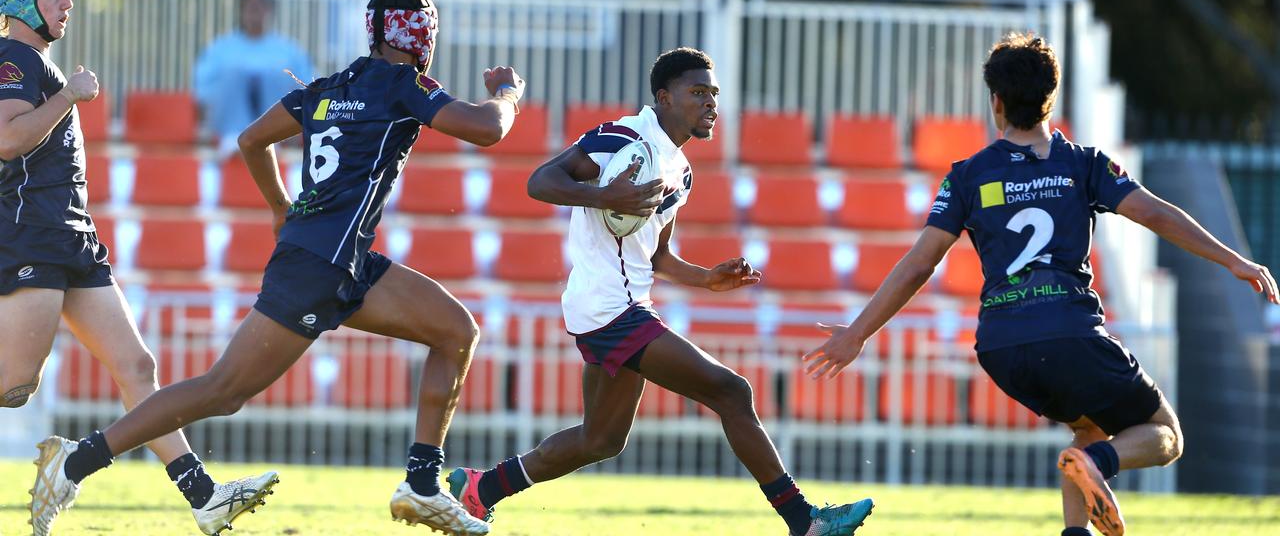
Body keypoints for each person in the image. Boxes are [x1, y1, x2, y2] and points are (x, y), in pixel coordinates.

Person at [33, 0, 525, 535]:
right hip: (321, 264)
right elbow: (488, 128)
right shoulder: (402, 85)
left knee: (456, 330)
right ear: (420, 35)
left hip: (339, 258)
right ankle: (74, 463)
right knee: (223, 391)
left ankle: (422, 484)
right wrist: (506, 92)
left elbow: (251, 140)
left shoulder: (331, 86)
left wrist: (279, 208)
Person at [801, 34, 1278, 536]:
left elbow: (920, 263)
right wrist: (1234, 261)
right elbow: (1154, 213)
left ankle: (1078, 520)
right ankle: (1101, 464)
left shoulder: (967, 175)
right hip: (1068, 330)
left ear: (997, 102)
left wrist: (857, 333)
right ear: (1051, 99)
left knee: (1087, 426)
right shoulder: (1084, 164)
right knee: (1166, 434)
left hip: (1002, 347)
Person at [447, 47, 875, 536]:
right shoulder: (622, 136)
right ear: (664, 97)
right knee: (733, 393)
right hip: (608, 308)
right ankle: (806, 522)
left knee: (601, 439)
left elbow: (656, 257)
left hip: (623, 306)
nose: (710, 103)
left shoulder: (681, 170)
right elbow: (540, 181)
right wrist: (602, 195)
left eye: (713, 94)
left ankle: (481, 488)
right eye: (698, 93)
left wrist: (707, 278)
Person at [0, 0, 273, 536]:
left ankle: (203, 497)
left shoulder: (33, 60)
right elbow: (7, 139)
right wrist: (69, 95)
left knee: (137, 365)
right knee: (13, 386)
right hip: (34, 235)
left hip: (69, 235)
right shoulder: (12, 58)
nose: (67, 5)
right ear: (22, 3)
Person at [193, 0, 312, 155]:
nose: (254, 13)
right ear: (242, 12)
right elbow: (203, 92)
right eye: (250, 8)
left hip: (279, 138)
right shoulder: (221, 49)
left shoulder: (289, 51)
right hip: (229, 135)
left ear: (268, 11)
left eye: (259, 7)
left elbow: (307, 89)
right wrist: (204, 130)